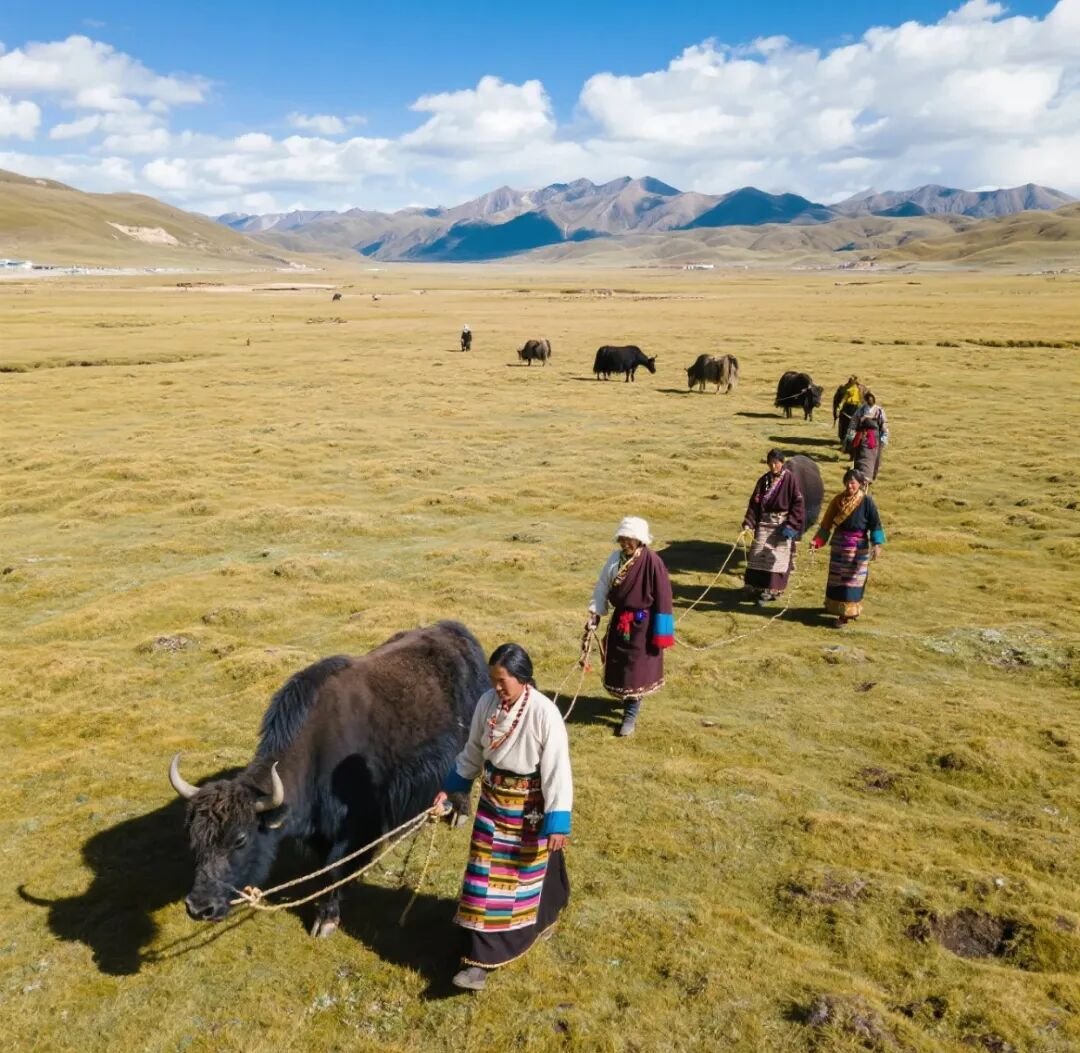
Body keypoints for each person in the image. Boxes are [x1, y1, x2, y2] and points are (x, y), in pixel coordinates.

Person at [434, 643, 572, 992]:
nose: (496, 687)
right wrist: (451, 788)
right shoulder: (487, 704)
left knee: (521, 876)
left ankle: (498, 947)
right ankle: (476, 957)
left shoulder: (544, 713)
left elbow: (557, 770)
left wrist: (557, 820)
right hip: (492, 803)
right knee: (483, 877)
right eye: (493, 680)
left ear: (522, 678)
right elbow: (473, 751)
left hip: (528, 808)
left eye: (502, 681)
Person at [585, 516, 674, 737]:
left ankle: (630, 715)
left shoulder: (653, 562)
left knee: (636, 670)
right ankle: (627, 702)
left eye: (629, 539)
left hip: (643, 627)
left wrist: (662, 632)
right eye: (622, 539)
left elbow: (664, 597)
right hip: (620, 623)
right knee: (620, 665)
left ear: (640, 540)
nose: (624, 543)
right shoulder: (615, 559)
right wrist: (595, 614)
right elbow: (602, 586)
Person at [811, 469, 886, 627]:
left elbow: (875, 524)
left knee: (852, 582)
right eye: (847, 482)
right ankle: (837, 608)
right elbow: (826, 523)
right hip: (839, 546)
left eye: (853, 482)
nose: (849, 485)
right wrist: (817, 541)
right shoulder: (838, 500)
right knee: (837, 580)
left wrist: (877, 544)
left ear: (860, 484)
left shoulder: (867, 502)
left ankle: (846, 615)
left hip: (857, 548)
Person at [741, 449, 806, 606]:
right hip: (764, 524)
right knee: (757, 555)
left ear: (782, 463)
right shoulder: (764, 480)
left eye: (776, 463)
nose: (773, 466)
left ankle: (772, 589)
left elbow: (798, 504)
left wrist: (791, 525)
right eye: (770, 463)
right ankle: (756, 587)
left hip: (781, 525)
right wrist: (749, 522)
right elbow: (755, 502)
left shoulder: (790, 480)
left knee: (776, 558)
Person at [844, 391, 889, 482]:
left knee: (871, 458)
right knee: (859, 457)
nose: (870, 401)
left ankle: (868, 476)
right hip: (861, 437)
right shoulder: (861, 410)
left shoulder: (879, 411)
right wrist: (849, 437)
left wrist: (884, 438)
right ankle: (859, 476)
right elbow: (853, 423)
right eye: (868, 399)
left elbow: (883, 425)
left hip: (873, 438)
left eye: (871, 399)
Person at [834, 375, 864, 444]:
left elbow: (861, 400)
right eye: (850, 380)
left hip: (855, 407)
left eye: (852, 380)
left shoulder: (859, 389)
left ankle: (853, 439)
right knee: (845, 423)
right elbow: (844, 399)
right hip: (847, 407)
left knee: (854, 424)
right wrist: (839, 407)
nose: (850, 381)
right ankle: (843, 438)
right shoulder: (847, 389)